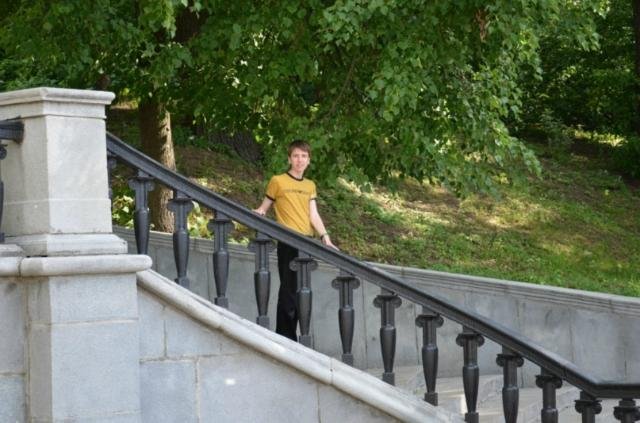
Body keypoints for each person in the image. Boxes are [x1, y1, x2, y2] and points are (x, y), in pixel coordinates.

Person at [253, 139, 337, 341]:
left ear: (309, 160)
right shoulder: (278, 181)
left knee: (301, 292)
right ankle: (285, 337)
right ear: (289, 159)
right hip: (288, 241)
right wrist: (258, 212)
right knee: (288, 291)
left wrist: (325, 237)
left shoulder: (310, 185)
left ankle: (297, 336)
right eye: (296, 156)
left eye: (304, 156)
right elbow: (264, 208)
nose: (300, 160)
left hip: (306, 243)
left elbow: (313, 215)